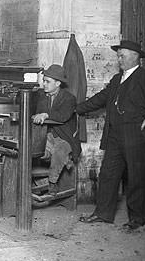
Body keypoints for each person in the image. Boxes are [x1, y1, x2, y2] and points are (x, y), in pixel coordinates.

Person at [76, 40, 145, 231]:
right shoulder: (117, 79)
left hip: (137, 136)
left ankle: (136, 219)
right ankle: (102, 214)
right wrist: (76, 109)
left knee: (137, 177)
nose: (119, 58)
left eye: (122, 55)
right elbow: (100, 99)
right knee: (107, 174)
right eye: (118, 55)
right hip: (115, 135)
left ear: (135, 57)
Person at [31, 64, 82, 195]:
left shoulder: (69, 98)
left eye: (48, 82)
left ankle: (52, 183)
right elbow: (37, 114)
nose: (44, 84)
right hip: (48, 136)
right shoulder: (42, 96)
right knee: (31, 148)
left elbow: (62, 116)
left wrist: (46, 115)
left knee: (60, 151)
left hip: (65, 138)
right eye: (44, 81)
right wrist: (36, 115)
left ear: (58, 83)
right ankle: (31, 182)